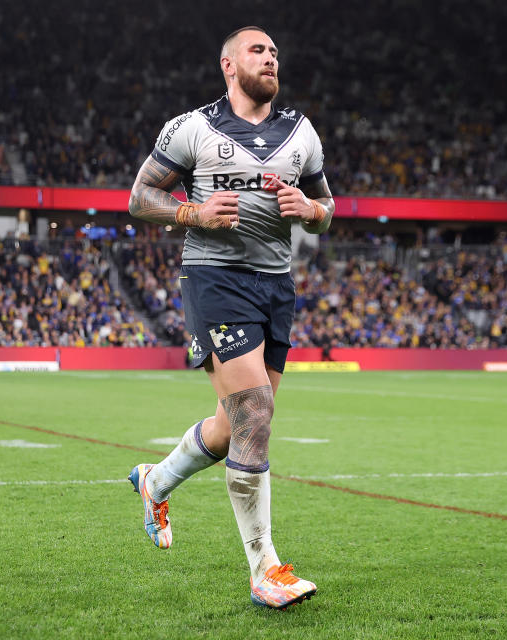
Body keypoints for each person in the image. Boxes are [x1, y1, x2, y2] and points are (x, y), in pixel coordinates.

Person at [127, 26, 333, 610]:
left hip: (276, 286)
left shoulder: (301, 132)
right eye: (257, 51)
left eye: (274, 53)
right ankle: (264, 567)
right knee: (257, 412)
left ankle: (156, 481)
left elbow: (328, 209)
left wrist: (311, 209)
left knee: (232, 425)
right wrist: (193, 211)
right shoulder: (192, 127)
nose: (270, 59)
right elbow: (141, 199)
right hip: (214, 280)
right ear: (228, 65)